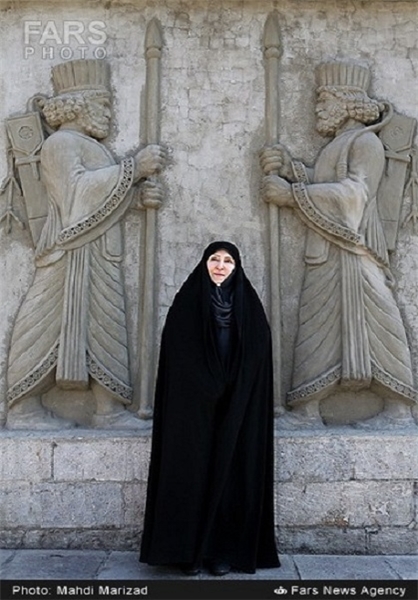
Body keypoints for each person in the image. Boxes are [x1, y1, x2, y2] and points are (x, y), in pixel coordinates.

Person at [6, 59, 166, 429]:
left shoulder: (89, 146)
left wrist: (136, 198)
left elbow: (104, 198)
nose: (110, 113)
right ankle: (23, 409)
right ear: (80, 105)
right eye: (104, 104)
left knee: (106, 325)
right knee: (44, 326)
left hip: (100, 251)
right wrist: (133, 169)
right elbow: (76, 195)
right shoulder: (60, 144)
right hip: (67, 252)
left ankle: (108, 409)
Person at [260, 61, 416, 426]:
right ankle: (308, 407)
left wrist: (292, 195)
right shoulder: (338, 145)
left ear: (346, 103)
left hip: (356, 250)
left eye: (323, 100)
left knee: (379, 322)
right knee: (316, 324)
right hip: (326, 249)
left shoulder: (366, 143)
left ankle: (398, 409)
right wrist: (292, 169)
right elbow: (324, 178)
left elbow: (355, 194)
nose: (317, 108)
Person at [140, 241, 280, 576]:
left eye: (228, 261)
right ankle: (187, 554)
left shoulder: (249, 306)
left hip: (237, 407)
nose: (220, 265)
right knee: (191, 474)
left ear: (236, 267)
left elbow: (257, 354)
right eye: (215, 259)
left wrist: (233, 386)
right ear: (205, 263)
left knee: (231, 476)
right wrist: (207, 385)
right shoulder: (187, 303)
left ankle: (222, 553)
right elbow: (179, 355)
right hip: (194, 409)